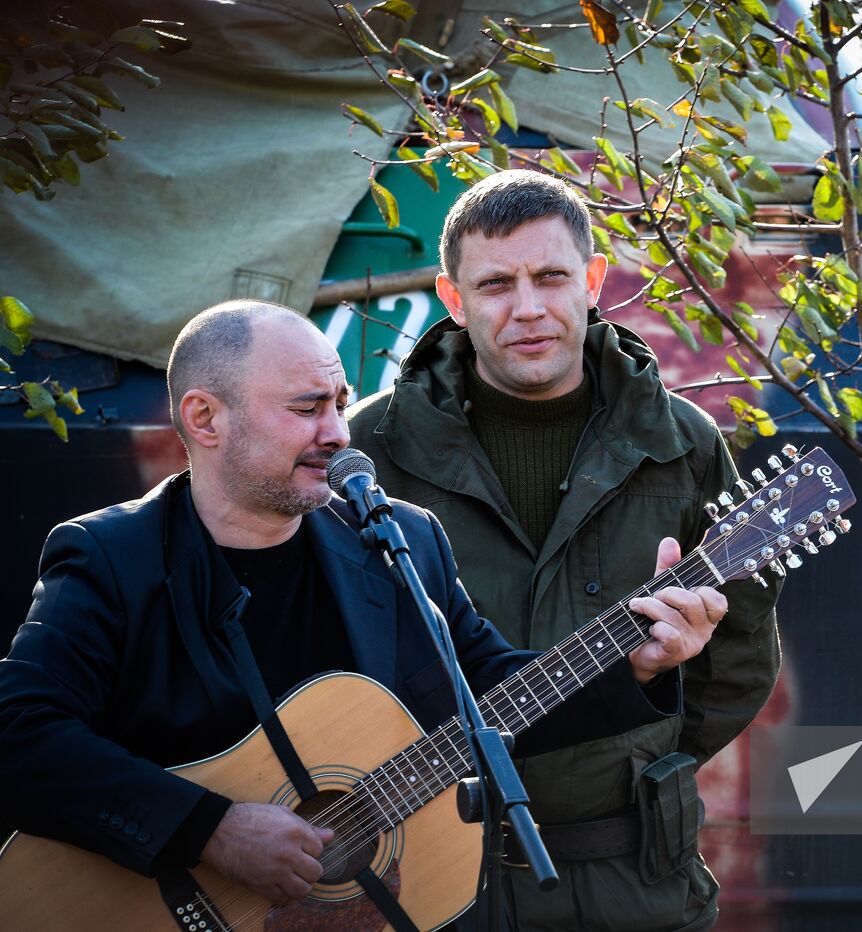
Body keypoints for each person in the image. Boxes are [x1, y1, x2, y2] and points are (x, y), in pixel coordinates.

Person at [0, 301, 725, 916]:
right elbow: (19, 733)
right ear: (206, 417)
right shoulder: (110, 558)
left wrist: (635, 665)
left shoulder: (400, 539)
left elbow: (489, 694)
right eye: (307, 408)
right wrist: (210, 831)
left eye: (341, 404)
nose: (339, 433)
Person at [348, 169, 781, 931]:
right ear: (454, 299)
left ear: (592, 281)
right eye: (495, 285)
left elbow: (740, 655)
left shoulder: (681, 443)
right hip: (418, 876)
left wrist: (634, 759)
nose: (528, 308)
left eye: (551, 277)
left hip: (630, 884)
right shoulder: (368, 449)